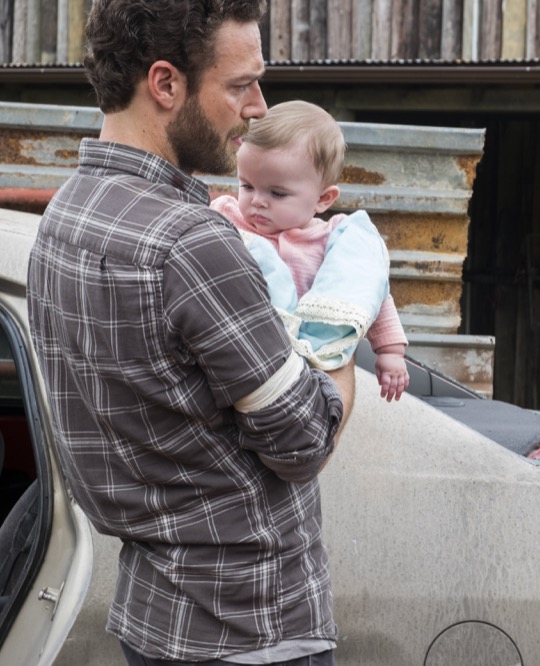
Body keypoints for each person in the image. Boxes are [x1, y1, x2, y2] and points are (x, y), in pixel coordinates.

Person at [26, 1, 347, 665]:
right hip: (250, 630)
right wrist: (343, 344)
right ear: (166, 84)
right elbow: (303, 441)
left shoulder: (65, 218)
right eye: (239, 85)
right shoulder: (190, 242)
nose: (258, 106)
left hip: (154, 622)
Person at [211, 100, 410, 402]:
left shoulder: (333, 244)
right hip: (238, 352)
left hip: (303, 366)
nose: (257, 201)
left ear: (323, 199)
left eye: (277, 193)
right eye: (247, 186)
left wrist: (390, 351)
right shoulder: (228, 220)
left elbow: (369, 291)